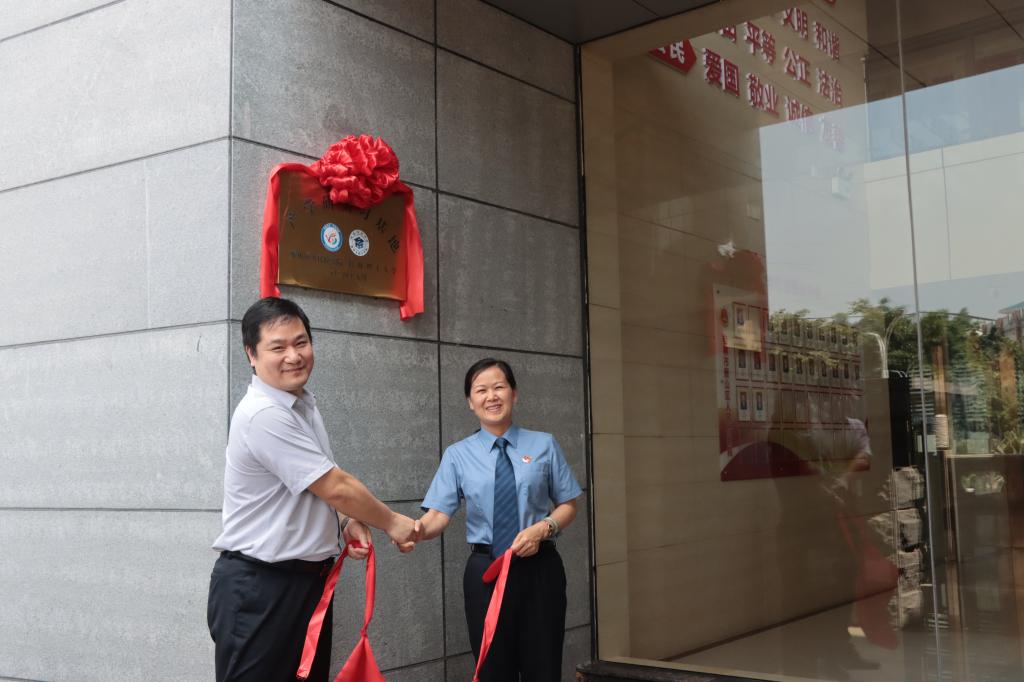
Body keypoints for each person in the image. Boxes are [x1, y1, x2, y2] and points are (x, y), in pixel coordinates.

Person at [207, 297, 419, 682]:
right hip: (261, 589)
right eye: (278, 347)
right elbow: (336, 486)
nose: (294, 356)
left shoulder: (301, 405)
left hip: (305, 586)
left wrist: (345, 522)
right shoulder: (264, 414)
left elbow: (317, 484)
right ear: (251, 354)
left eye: (301, 342)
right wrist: (392, 522)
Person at [412, 358, 582, 681]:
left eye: (499, 387)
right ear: (470, 401)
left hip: (540, 570)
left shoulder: (543, 444)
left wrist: (543, 528)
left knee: (543, 669)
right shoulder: (457, 455)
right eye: (481, 390)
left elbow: (568, 505)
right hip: (486, 573)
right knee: (492, 670)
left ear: (514, 394)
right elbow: (438, 515)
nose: (491, 396)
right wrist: (416, 531)